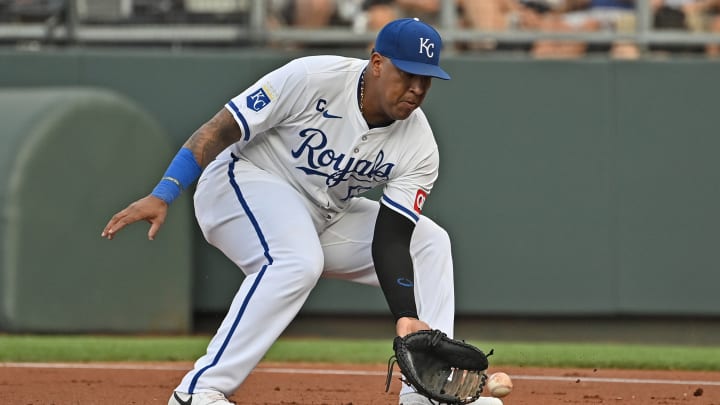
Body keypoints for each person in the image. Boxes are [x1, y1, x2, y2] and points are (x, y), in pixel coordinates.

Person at [102, 17, 501, 405]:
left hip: (322, 211)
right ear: (377, 64)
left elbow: (392, 237)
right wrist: (165, 191)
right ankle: (196, 391)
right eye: (407, 74)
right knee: (297, 260)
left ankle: (426, 394)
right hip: (239, 181)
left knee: (430, 242)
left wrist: (406, 316)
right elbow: (221, 127)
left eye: (426, 78)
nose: (416, 88)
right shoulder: (312, 77)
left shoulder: (418, 144)